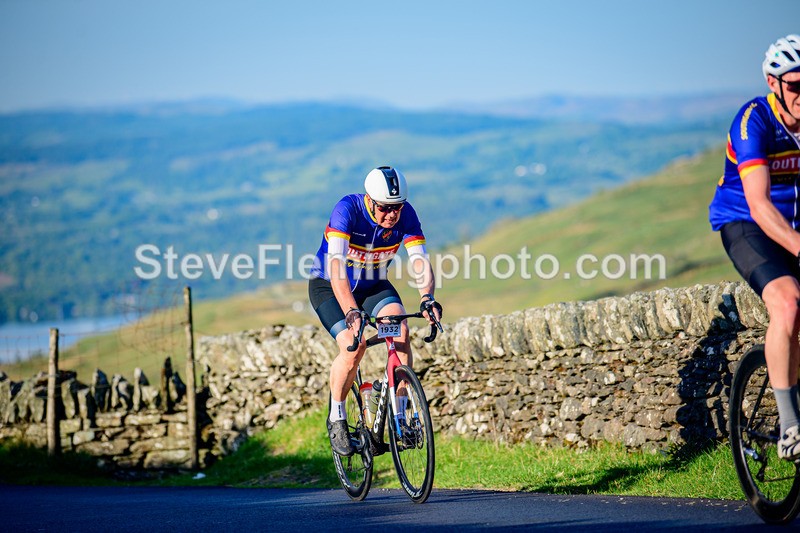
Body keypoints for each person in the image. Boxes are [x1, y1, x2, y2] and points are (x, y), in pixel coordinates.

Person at [308, 166, 443, 456]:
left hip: (373, 285)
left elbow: (419, 259)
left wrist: (427, 297)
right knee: (352, 349)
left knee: (401, 331)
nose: (391, 215)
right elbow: (336, 269)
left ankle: (400, 413)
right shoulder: (347, 210)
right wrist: (350, 312)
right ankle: (337, 416)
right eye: (384, 208)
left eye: (397, 207)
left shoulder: (406, 216)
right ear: (370, 200)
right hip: (330, 287)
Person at [709, 34, 800, 461]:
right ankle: (790, 426)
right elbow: (760, 204)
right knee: (787, 302)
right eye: (796, 86)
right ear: (774, 82)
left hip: (794, 226)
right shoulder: (753, 121)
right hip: (747, 224)